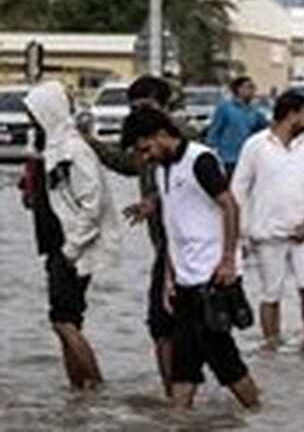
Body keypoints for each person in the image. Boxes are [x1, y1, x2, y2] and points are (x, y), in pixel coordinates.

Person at [123, 107, 261, 410]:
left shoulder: (201, 160)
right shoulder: (162, 171)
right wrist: (169, 277)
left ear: (162, 134)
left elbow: (230, 206)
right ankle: (179, 421)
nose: (145, 157)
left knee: (224, 360)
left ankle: (259, 413)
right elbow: (174, 225)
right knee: (184, 363)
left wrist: (227, 260)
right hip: (184, 279)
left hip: (212, 278)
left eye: (146, 148)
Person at [90, 75, 198, 396]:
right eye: (133, 107)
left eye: (144, 106)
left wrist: (156, 201)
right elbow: (127, 164)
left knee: (186, 327)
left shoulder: (187, 142)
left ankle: (182, 399)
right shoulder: (143, 143)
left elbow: (207, 191)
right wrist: (91, 144)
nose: (138, 113)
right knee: (163, 326)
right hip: (163, 245)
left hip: (189, 246)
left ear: (162, 106)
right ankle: (176, 400)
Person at [22, 81, 120, 390]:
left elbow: (93, 205)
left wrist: (70, 249)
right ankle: (78, 393)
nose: (30, 123)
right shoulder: (50, 149)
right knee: (69, 322)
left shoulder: (74, 150)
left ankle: (96, 385)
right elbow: (57, 196)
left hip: (70, 249)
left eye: (34, 116)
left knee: (62, 320)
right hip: (55, 245)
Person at [233, 90, 304, 353]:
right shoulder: (255, 146)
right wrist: (240, 233)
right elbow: (238, 189)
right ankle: (271, 346)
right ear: (292, 114)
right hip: (266, 233)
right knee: (270, 294)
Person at [206, 76, 269, 177]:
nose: (253, 91)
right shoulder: (225, 108)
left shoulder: (255, 111)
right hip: (228, 159)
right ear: (239, 89)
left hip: (248, 158)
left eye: (253, 88)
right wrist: (213, 152)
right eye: (249, 87)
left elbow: (266, 130)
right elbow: (214, 131)